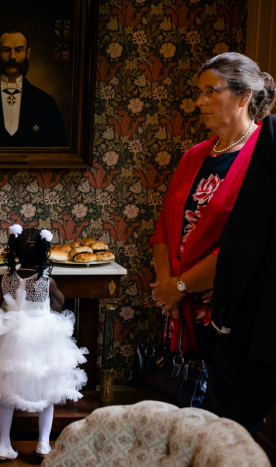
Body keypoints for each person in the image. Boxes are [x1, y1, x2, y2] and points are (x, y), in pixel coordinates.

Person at [149, 52, 274, 364]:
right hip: (177, 306)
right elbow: (164, 227)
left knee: (222, 408)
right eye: (199, 92)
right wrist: (167, 291)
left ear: (244, 95)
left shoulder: (264, 155)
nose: (199, 102)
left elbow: (248, 242)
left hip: (228, 311)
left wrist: (180, 286)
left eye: (210, 91)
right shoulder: (193, 156)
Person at [0, 226, 87, 460]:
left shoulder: (7, 278)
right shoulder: (46, 279)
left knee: (6, 391)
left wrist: (1, 320)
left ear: (15, 251)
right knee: (47, 391)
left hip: (12, 337)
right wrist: (46, 308)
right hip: (42, 338)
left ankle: (3, 444)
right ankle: (43, 445)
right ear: (44, 252)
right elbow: (61, 301)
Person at [202, 113, 276, 435]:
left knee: (228, 433)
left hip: (263, 324)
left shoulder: (273, 131)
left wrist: (224, 313)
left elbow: (248, 232)